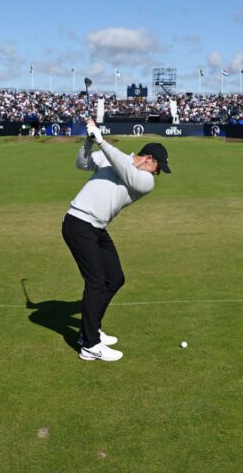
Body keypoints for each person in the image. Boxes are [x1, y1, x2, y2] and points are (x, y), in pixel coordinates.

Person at [61, 119, 170, 362]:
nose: (158, 173)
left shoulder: (145, 182)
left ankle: (91, 329)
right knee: (96, 282)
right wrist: (90, 144)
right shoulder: (116, 159)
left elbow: (125, 169)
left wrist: (101, 140)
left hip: (97, 228)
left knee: (115, 278)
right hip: (78, 224)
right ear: (148, 159)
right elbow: (82, 164)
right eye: (158, 167)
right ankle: (89, 345)